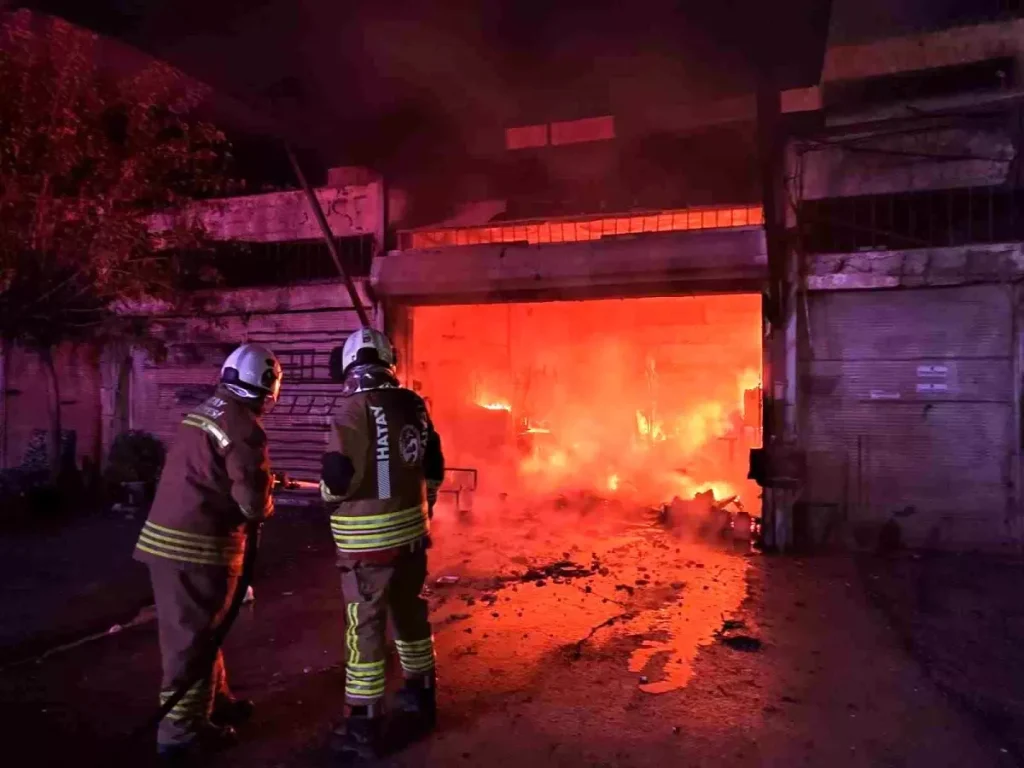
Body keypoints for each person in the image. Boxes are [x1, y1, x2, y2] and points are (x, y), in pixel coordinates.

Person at [133, 343, 282, 761]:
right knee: (190, 641)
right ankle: (180, 733)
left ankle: (213, 702)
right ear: (267, 390)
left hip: (171, 542)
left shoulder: (205, 411)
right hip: (197, 549)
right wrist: (266, 498)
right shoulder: (245, 426)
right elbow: (253, 503)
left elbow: (210, 471)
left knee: (205, 630)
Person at [321, 327, 445, 760]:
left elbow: (338, 480)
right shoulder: (413, 404)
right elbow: (434, 466)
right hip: (412, 536)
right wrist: (424, 506)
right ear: (390, 362)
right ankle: (422, 694)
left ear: (348, 365)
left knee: (366, 628)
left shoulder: (351, 409)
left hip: (367, 545)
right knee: (411, 613)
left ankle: (363, 724)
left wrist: (327, 499)